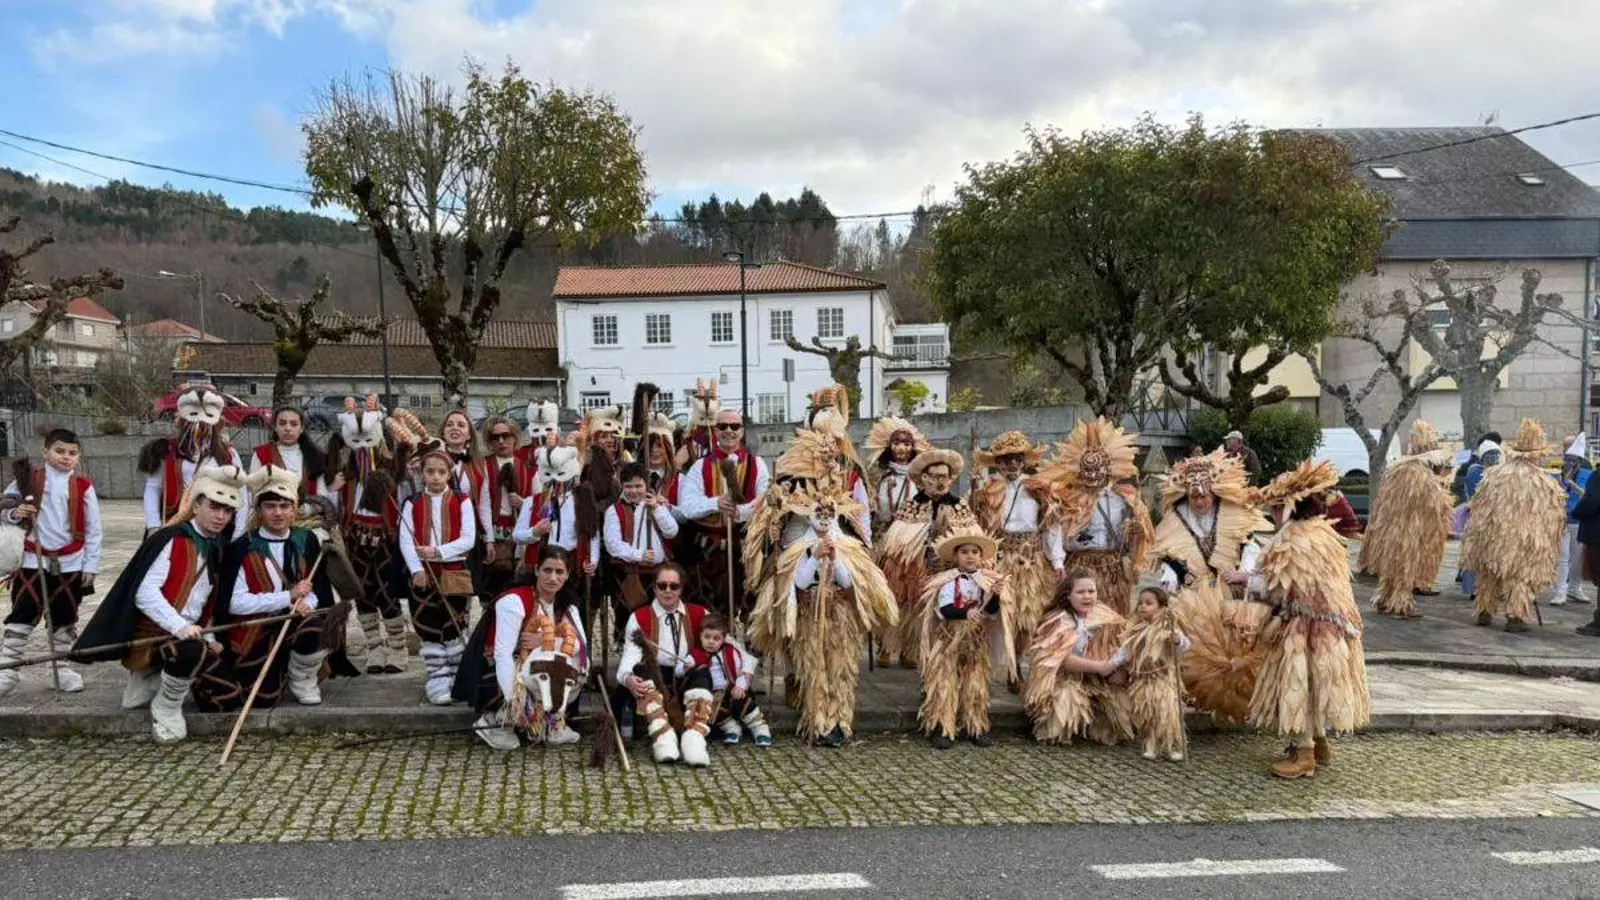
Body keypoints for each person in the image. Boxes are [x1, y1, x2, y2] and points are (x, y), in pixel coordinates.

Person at [74, 465, 248, 743]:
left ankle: (151, 683)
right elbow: (145, 593)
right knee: (190, 651)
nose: (220, 516)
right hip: (155, 636)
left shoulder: (215, 547)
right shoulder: (172, 539)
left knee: (227, 696)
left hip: (189, 635)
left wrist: (210, 637)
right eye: (214, 507)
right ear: (196, 505)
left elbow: (204, 602)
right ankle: (166, 705)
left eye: (227, 511)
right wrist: (180, 627)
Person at [746, 429, 897, 748]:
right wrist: (775, 523)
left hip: (840, 593)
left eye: (831, 455)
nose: (827, 461)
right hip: (803, 586)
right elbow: (772, 535)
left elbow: (859, 522)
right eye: (821, 455)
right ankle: (818, 721)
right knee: (812, 663)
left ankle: (841, 721)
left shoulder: (846, 485)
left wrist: (850, 553)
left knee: (842, 665)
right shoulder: (788, 486)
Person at [1243, 461, 1371, 779]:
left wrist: (1246, 581)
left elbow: (1278, 587)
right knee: (1316, 684)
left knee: (1297, 686)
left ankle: (1304, 755)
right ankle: (1320, 743)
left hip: (1306, 626)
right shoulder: (1322, 532)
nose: (1273, 515)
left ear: (1289, 507)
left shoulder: (1293, 539)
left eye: (1276, 508)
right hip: (1335, 625)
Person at [1150, 451, 1272, 723]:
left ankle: (1237, 695)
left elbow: (1248, 542)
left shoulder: (1232, 513)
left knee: (1234, 643)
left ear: (1214, 494)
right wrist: (1177, 575)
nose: (1200, 501)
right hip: (1193, 592)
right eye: (1195, 497)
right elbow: (1169, 553)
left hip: (1230, 588)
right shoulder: (1175, 518)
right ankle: (1196, 691)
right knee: (1194, 642)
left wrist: (1242, 571)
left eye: (1205, 496)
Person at [216, 465, 336, 706]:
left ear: (294, 509)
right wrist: (288, 597)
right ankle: (278, 671)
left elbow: (317, 589)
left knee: (317, 628)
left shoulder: (306, 540)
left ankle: (301, 677)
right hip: (256, 632)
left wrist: (306, 603)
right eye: (270, 506)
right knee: (264, 699)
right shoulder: (241, 548)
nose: (278, 513)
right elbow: (234, 603)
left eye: (284, 506)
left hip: (296, 624)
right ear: (259, 510)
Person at [0, 429, 103, 697]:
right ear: (45, 453)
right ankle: (7, 670)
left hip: (71, 562)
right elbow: (4, 511)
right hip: (32, 559)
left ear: (78, 457)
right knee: (23, 612)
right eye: (59, 451)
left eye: (72, 453)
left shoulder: (84, 486)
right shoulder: (26, 480)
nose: (66, 457)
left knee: (65, 616)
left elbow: (94, 530)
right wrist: (16, 512)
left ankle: (61, 669)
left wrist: (90, 565)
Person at [455, 547, 588, 751]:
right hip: (500, 669)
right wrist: (515, 702)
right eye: (547, 570)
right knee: (544, 667)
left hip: (538, 668)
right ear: (536, 570)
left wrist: (546, 639)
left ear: (567, 575)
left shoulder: (567, 606)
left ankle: (552, 722)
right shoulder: (514, 601)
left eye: (559, 572)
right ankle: (498, 719)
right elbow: (502, 654)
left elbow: (580, 645)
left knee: (575, 665)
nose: (553, 578)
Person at [324, 396, 411, 674]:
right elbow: (333, 505)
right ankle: (374, 649)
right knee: (362, 593)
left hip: (384, 539)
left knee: (386, 593)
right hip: (355, 540)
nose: (363, 446)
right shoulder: (346, 475)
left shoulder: (390, 470)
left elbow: (405, 497)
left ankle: (397, 649)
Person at [916, 507, 1014, 750]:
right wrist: (965, 612)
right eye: (965, 552)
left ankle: (976, 726)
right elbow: (945, 608)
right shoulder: (949, 580)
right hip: (950, 640)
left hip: (975, 641)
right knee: (945, 682)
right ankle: (942, 727)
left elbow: (990, 611)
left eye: (975, 552)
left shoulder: (985, 580)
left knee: (975, 683)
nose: (970, 556)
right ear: (955, 556)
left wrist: (995, 596)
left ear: (981, 556)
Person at [1036, 418, 1153, 617]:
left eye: (1096, 470)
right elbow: (1053, 530)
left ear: (1108, 469)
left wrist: (1137, 534)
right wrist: (1058, 562)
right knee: (1079, 619)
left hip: (1112, 569)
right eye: (1087, 471)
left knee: (1112, 620)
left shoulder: (1124, 499)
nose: (1091, 476)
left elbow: (1135, 540)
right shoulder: (1067, 499)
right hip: (1078, 567)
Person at [1461, 420, 1567, 633]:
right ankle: (1515, 617)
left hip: (1492, 535)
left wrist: (1477, 535)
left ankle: (1484, 611)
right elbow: (1552, 515)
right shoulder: (1544, 481)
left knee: (1489, 574)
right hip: (1523, 540)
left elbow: (1478, 506)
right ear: (1537, 453)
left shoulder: (1493, 475)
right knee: (1519, 577)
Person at [969, 431, 1062, 657]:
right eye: (1006, 459)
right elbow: (974, 525)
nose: (1012, 464)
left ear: (1024, 462)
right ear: (997, 462)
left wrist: (1057, 561)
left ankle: (1020, 660)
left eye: (1017, 459)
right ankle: (1001, 661)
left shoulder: (1038, 488)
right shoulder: (984, 490)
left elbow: (1051, 526)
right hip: (999, 559)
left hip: (1031, 561)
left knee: (1029, 612)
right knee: (1000, 611)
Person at [399, 441, 478, 705]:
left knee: (454, 624)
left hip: (453, 571)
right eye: (430, 471)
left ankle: (457, 677)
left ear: (448, 473)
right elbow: (406, 540)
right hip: (423, 574)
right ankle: (438, 679)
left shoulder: (462, 501)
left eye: (440, 472)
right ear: (422, 473)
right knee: (428, 626)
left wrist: (437, 551)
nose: (435, 477)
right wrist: (416, 569)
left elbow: (468, 539)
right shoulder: (412, 502)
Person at [874, 448, 966, 668]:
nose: (940, 482)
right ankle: (900, 650)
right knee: (912, 614)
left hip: (948, 572)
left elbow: (970, 540)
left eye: (944, 477)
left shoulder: (959, 506)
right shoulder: (911, 506)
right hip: (916, 572)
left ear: (951, 479)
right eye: (934, 477)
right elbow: (897, 542)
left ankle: (931, 658)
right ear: (924, 479)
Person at [678, 409, 771, 616]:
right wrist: (715, 503)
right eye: (722, 426)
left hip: (746, 550)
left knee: (750, 610)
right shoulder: (700, 466)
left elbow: (763, 502)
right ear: (715, 431)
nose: (729, 430)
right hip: (709, 555)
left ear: (742, 431)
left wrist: (739, 512)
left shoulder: (758, 464)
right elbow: (687, 506)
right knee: (711, 613)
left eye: (734, 426)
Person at [1022, 571, 1131, 746]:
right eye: (1080, 592)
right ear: (1068, 596)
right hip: (1063, 678)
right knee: (1066, 699)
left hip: (1098, 678)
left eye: (1091, 591)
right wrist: (1100, 667)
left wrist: (1121, 670)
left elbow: (1125, 644)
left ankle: (1093, 722)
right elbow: (1063, 660)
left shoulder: (1107, 617)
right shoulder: (1058, 621)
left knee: (1118, 708)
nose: (1087, 596)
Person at [615, 562, 709, 764]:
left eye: (673, 586)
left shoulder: (700, 614)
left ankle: (694, 740)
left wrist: (695, 658)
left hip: (686, 676)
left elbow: (720, 647)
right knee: (641, 672)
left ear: (681, 589)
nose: (668, 591)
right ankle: (663, 738)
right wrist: (628, 678)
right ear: (655, 588)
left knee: (702, 672)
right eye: (662, 585)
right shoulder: (639, 617)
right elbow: (629, 657)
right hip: (656, 677)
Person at [1364, 420, 1456, 619]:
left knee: (1391, 569)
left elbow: (1382, 502)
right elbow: (1436, 504)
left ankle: (1384, 599)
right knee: (1406, 568)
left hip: (1391, 529)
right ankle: (1401, 604)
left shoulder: (1396, 472)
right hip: (1410, 531)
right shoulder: (1422, 476)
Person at [139, 385, 248, 538]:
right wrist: (153, 526)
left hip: (217, 529)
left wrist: (238, 531)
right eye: (194, 417)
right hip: (175, 525)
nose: (200, 424)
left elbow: (241, 492)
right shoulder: (167, 450)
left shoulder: (229, 454)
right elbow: (153, 488)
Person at [1111, 585, 1190, 762]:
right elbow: (1125, 651)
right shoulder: (1136, 630)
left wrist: (1178, 641)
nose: (1143, 606)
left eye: (1149, 603)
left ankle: (1172, 744)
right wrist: (1112, 664)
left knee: (1167, 713)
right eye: (1140, 603)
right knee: (1148, 714)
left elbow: (1185, 646)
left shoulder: (1168, 629)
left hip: (1163, 680)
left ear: (1162, 608)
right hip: (1143, 680)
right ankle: (1150, 743)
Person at [603, 462, 681, 613]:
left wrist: (657, 509)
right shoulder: (614, 510)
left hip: (658, 573)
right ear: (622, 486)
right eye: (628, 486)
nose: (633, 491)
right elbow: (613, 544)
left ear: (646, 485)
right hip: (629, 574)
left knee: (659, 616)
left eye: (638, 486)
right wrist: (639, 555)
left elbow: (671, 531)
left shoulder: (656, 505)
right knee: (628, 617)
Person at [687, 614, 772, 749]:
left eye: (716, 638)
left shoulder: (730, 652)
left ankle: (760, 728)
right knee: (712, 709)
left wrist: (740, 686)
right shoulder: (696, 654)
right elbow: (680, 668)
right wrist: (685, 666)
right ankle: (732, 729)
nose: (711, 642)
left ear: (723, 639)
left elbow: (742, 671)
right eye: (707, 637)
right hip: (713, 693)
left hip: (731, 689)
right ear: (700, 636)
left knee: (741, 702)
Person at [480, 415, 536, 599]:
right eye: (495, 437)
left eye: (506, 435)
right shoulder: (483, 466)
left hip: (521, 532)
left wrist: (524, 503)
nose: (501, 441)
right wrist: (488, 539)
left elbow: (540, 502)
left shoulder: (527, 466)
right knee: (492, 588)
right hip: (493, 532)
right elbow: (483, 504)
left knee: (517, 586)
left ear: (514, 437)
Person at [864, 416, 929, 540]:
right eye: (896, 444)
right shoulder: (878, 477)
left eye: (906, 444)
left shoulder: (920, 479)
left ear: (913, 448)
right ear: (889, 446)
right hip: (884, 533)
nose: (901, 448)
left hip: (911, 535)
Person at [1457, 437, 1504, 600]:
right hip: (1483, 518)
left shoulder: (1476, 471)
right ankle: (1481, 589)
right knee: (1481, 554)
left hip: (1483, 518)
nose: (1493, 459)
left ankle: (1480, 589)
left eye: (1495, 455)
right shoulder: (1480, 472)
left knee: (1483, 553)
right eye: (1491, 456)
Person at [249, 405, 326, 499]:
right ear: (274, 427)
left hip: (309, 508)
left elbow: (322, 494)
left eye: (294, 424)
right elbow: (253, 492)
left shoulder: (316, 457)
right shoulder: (262, 454)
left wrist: (309, 507)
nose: (288, 428)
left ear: (301, 428)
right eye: (282, 423)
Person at [1553, 433, 1592, 606]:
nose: (1566, 450)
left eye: (1569, 446)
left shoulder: (1586, 472)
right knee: (1562, 557)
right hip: (1561, 519)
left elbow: (1587, 495)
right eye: (1565, 446)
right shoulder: (1559, 469)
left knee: (1576, 558)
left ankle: (1575, 588)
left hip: (1578, 519)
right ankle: (1560, 591)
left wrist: (1572, 484)